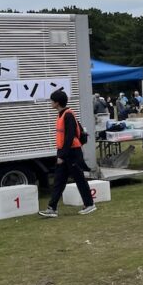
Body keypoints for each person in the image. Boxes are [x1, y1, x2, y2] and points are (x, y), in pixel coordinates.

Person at [39, 89, 97, 218]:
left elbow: (70, 137)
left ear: (57, 103)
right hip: (65, 151)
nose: (51, 103)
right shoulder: (61, 114)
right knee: (59, 181)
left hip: (72, 153)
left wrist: (62, 156)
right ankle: (52, 208)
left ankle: (90, 204)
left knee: (79, 179)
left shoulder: (68, 115)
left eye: (52, 101)